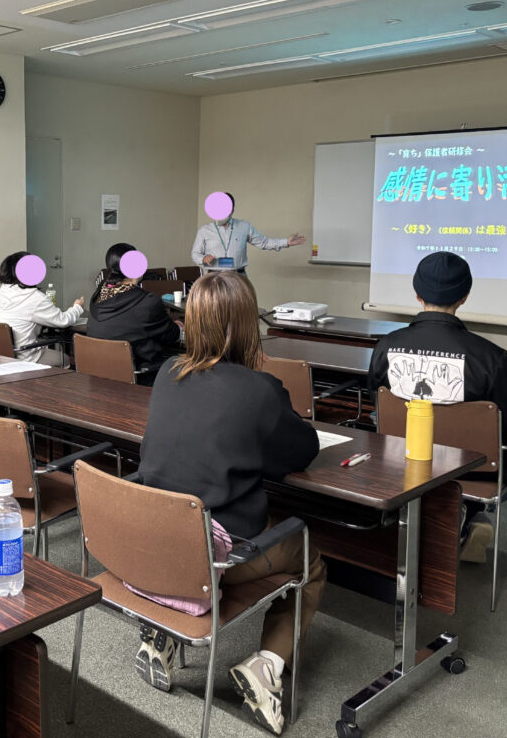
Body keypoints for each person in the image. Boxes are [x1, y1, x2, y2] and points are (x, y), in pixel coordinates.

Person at [135, 271, 326, 735]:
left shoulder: (166, 372)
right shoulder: (259, 389)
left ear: (190, 323)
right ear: (247, 326)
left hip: (149, 543)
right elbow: (302, 451)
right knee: (311, 560)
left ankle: (164, 631)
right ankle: (266, 666)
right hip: (211, 555)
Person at [367, 251, 507, 562]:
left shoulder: (386, 346)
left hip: (402, 457)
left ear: (417, 294)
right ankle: (464, 514)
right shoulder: (492, 357)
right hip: (474, 468)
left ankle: (444, 520)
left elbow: (376, 399)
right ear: (465, 296)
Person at [87, 243, 181, 381]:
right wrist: (178, 327)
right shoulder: (148, 301)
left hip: (99, 376)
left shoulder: (99, 294)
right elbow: (172, 336)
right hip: (140, 377)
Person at [0, 251, 84, 364]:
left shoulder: (4, 290)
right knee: (65, 359)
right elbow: (63, 321)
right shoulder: (35, 297)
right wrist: (78, 306)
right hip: (24, 358)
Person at [191, 192, 306, 273]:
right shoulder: (205, 230)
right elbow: (195, 253)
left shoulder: (244, 226)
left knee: (243, 303)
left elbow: (264, 243)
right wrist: (203, 259)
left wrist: (286, 242)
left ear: (232, 209)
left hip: (239, 276)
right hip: (214, 276)